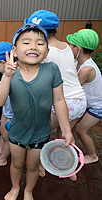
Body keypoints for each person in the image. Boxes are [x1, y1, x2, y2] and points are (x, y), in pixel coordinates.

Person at [0, 24, 74, 200]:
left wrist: (67, 130)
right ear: (14, 50)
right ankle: (15, 188)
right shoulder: (11, 73)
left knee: (32, 166)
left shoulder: (51, 69)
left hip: (41, 134)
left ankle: (28, 190)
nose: (33, 47)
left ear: (46, 51)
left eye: (39, 43)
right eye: (26, 42)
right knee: (16, 163)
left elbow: (59, 100)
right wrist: (6, 76)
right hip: (16, 132)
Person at [25, 10, 87, 180]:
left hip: (64, 100)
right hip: (79, 100)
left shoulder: (45, 52)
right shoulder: (66, 46)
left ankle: (40, 166)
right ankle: (71, 170)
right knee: (65, 134)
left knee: (40, 133)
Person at [67, 29, 102, 164]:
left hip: (97, 107)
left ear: (77, 48)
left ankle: (93, 155)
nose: (69, 47)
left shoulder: (87, 69)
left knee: (81, 130)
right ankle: (69, 151)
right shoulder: (78, 63)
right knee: (70, 128)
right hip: (87, 103)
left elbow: (72, 89)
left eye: (71, 45)